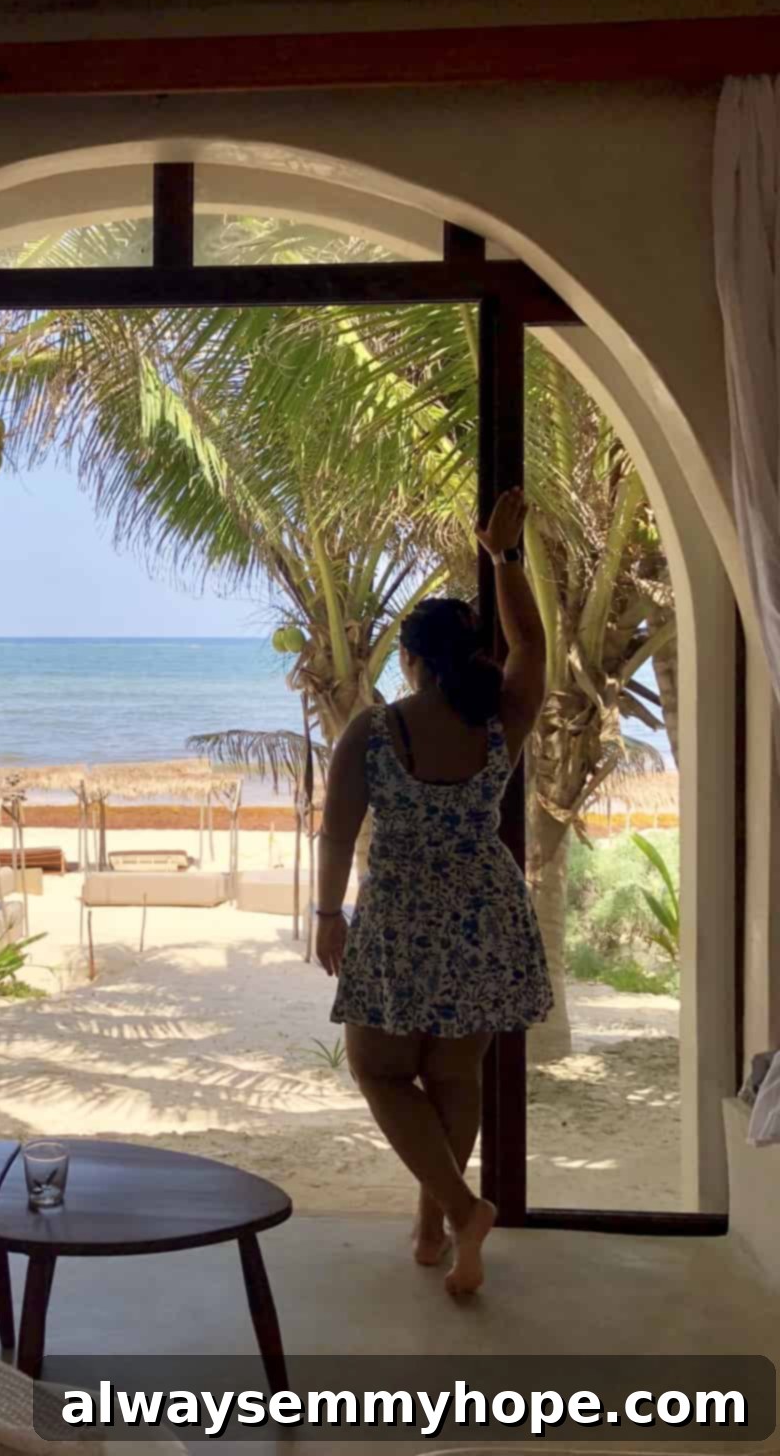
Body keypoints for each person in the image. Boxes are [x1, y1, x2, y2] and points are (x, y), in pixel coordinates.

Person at [314, 488, 552, 1297]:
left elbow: (338, 833)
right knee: (454, 1075)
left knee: (380, 1071)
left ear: (411, 660)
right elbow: (532, 644)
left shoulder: (376, 729)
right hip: (485, 911)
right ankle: (434, 1229)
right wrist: (503, 558)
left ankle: (459, 1210)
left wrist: (325, 914)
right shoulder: (500, 722)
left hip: (402, 915)